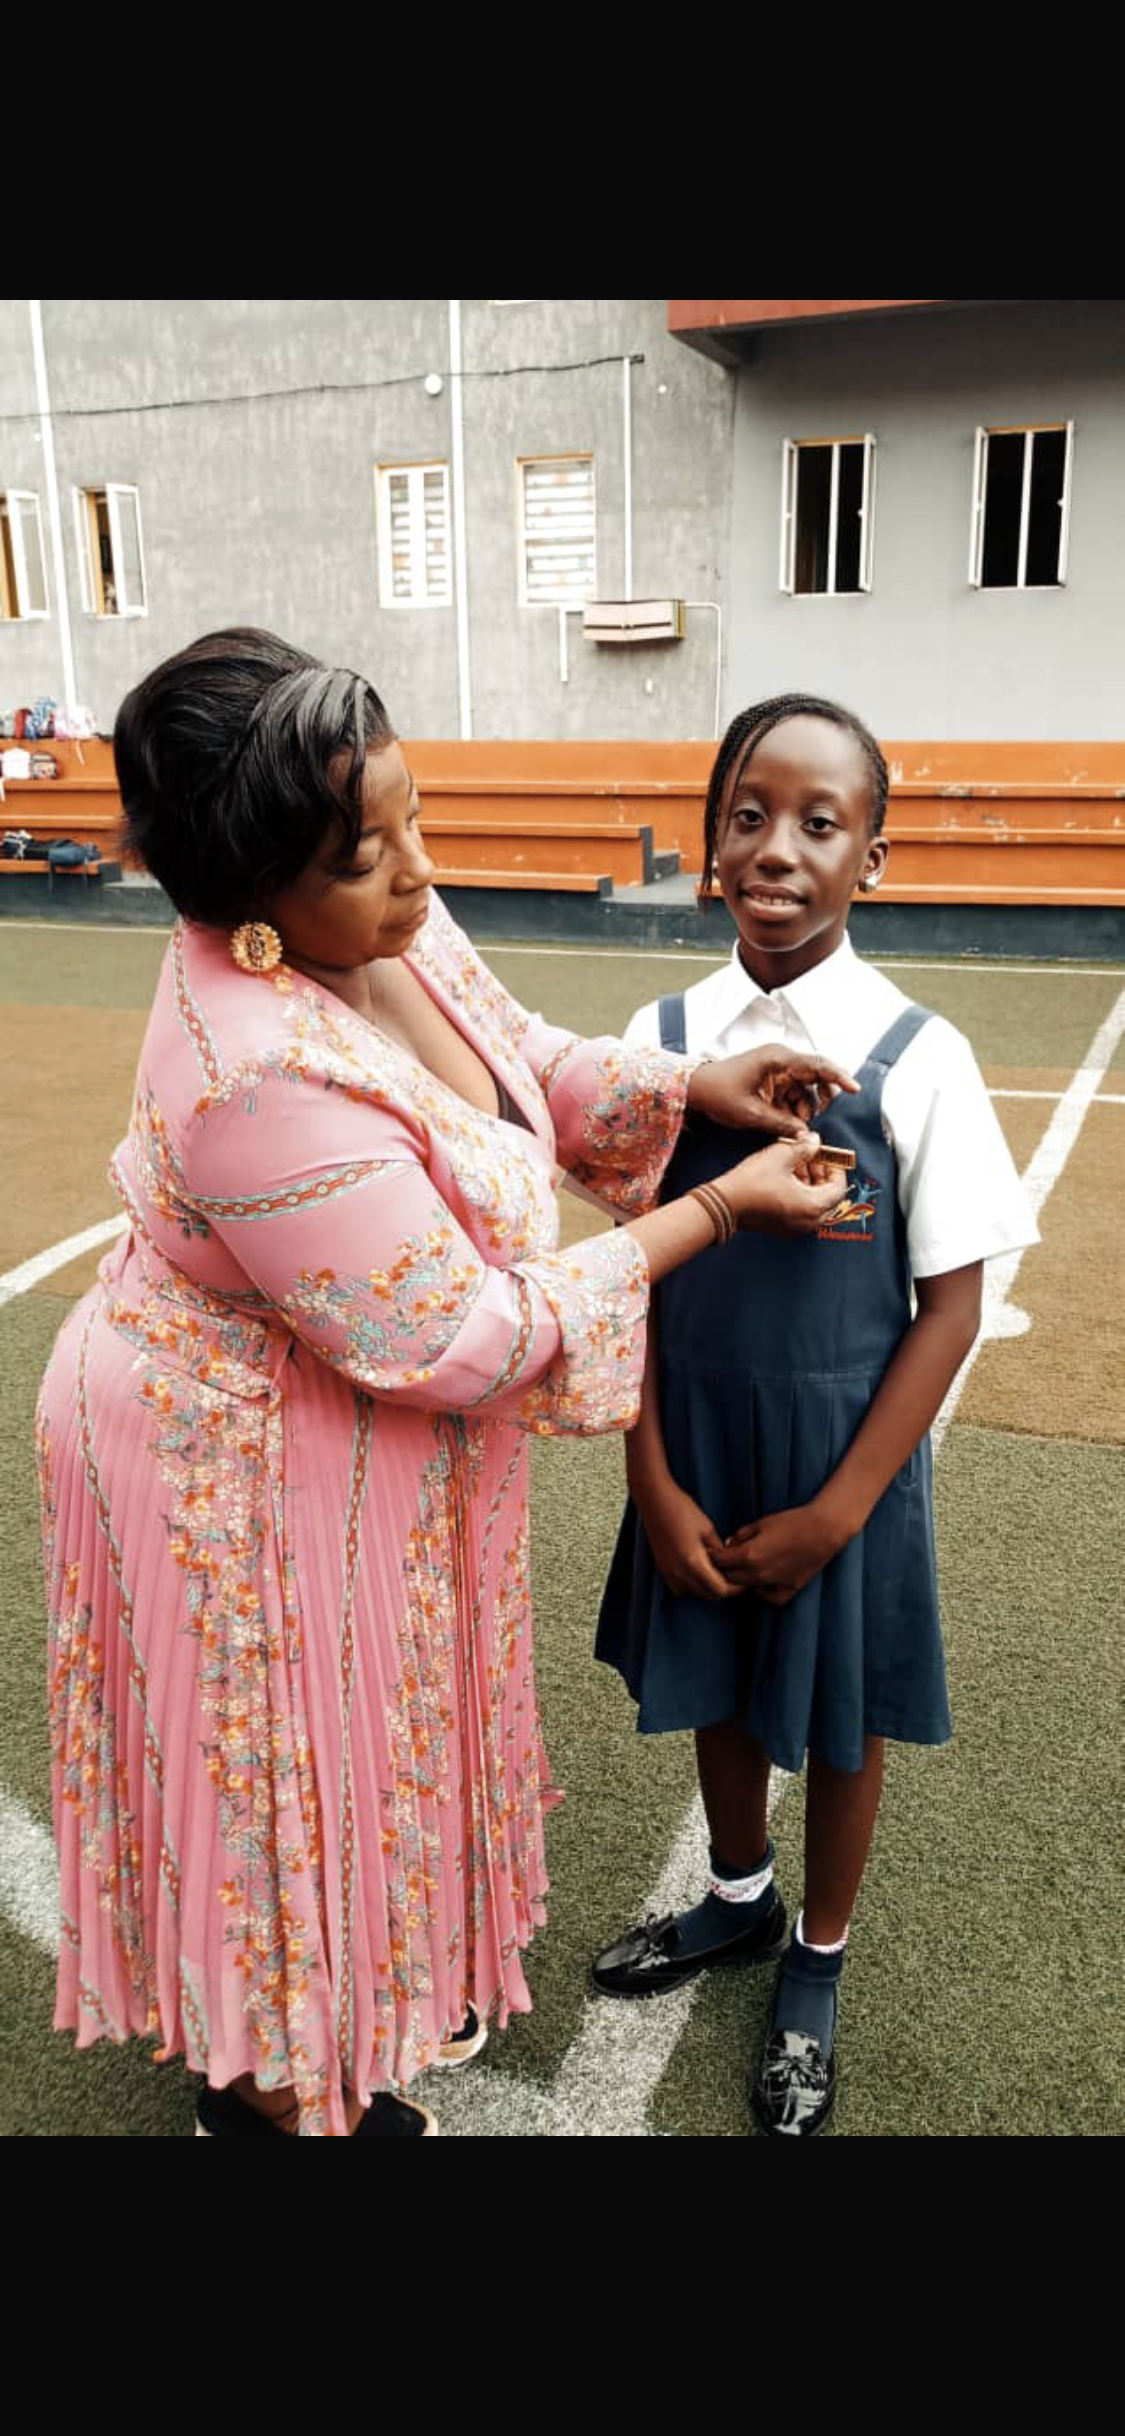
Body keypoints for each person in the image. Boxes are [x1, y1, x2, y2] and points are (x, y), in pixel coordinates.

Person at [34, 633, 854, 2139]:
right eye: (369, 852)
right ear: (252, 895)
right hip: (229, 1449)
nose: (418, 870)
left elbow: (514, 1056)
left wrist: (688, 1090)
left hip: (348, 1422)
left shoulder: (369, 919)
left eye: (410, 816)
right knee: (279, 1775)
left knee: (373, 1744)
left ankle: (363, 1987)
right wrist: (717, 1211)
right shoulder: (254, 1066)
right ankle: (268, 2095)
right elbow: (459, 1337)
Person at [592, 693, 1039, 2137]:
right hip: (695, 1439)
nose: (777, 848)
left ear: (872, 860)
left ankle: (819, 1962)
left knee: (844, 1722)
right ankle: (736, 1897)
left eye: (820, 823)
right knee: (716, 1678)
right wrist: (651, 1476)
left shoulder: (918, 1053)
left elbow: (951, 1307)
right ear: (711, 842)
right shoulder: (659, 1039)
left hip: (847, 1462)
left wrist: (843, 1510)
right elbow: (623, 1272)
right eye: (748, 815)